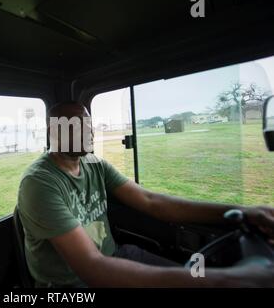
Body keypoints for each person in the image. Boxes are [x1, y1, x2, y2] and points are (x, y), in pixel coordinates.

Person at [17, 101, 274, 287]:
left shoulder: (94, 164)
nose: (89, 131)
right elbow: (92, 268)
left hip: (116, 256)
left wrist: (243, 211)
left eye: (88, 123)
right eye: (76, 126)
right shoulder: (39, 183)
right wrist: (231, 280)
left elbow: (152, 202)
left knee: (190, 274)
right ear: (54, 133)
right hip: (69, 286)